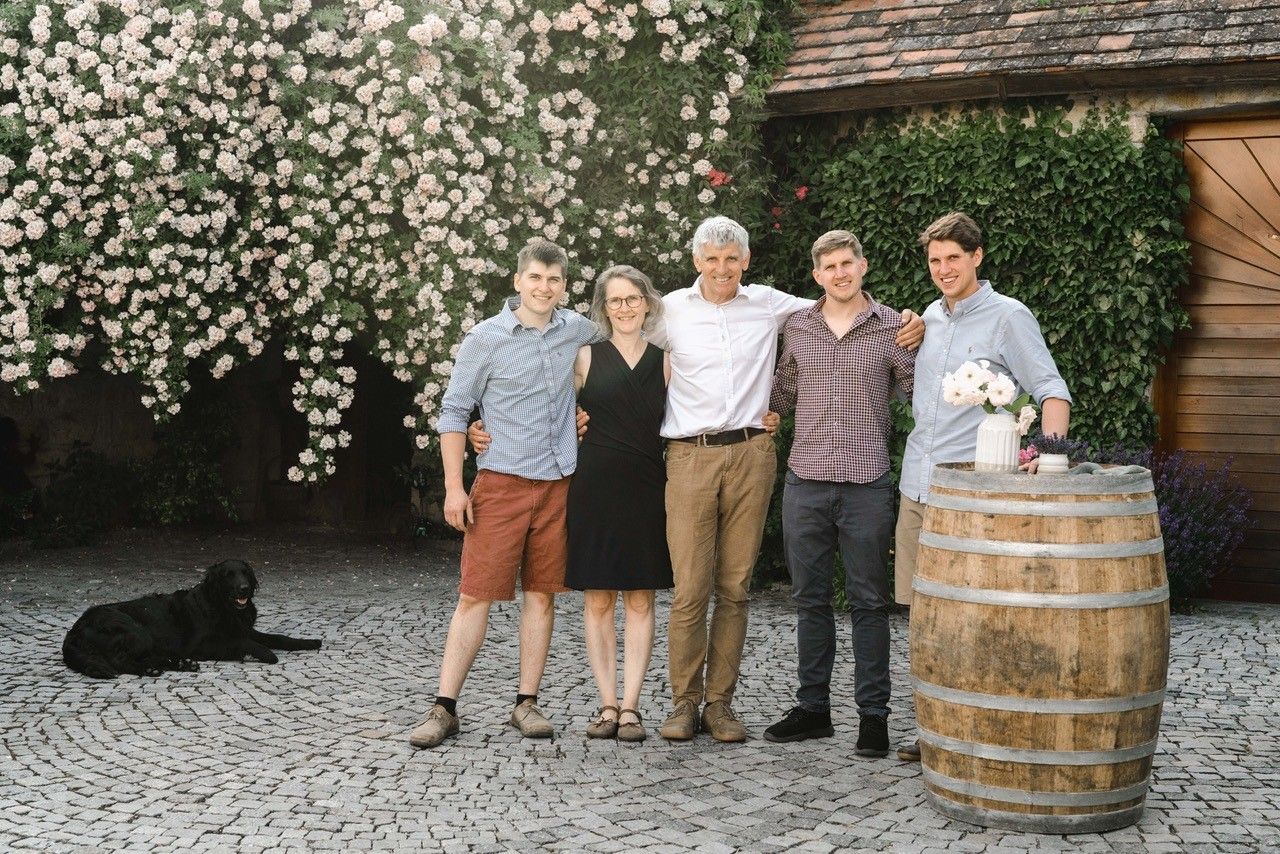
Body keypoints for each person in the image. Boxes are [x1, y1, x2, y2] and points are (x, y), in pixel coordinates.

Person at [648, 216, 926, 743]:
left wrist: (920, 320)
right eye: (712, 258)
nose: (722, 268)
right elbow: (622, 342)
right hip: (725, 463)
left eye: (732, 258)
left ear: (746, 261)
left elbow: (916, 389)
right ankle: (699, 705)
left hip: (816, 467)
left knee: (773, 592)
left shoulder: (811, 315)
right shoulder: (680, 310)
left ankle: (857, 716)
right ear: (697, 261)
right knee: (706, 592)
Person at [894, 212, 1071, 761]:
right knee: (923, 615)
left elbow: (1051, 389)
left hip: (975, 496)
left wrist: (1051, 457)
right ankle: (934, 726)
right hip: (917, 487)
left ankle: (982, 728)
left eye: (953, 257)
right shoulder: (930, 316)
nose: (944, 268)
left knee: (977, 616)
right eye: (935, 260)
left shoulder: (1008, 317)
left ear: (977, 256)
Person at [408, 238, 598, 749]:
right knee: (475, 595)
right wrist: (454, 488)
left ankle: (525, 704)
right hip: (500, 484)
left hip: (557, 484)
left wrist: (584, 416)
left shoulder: (577, 330)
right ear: (517, 281)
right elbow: (454, 412)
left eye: (553, 279)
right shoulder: (485, 338)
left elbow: (629, 344)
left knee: (542, 595)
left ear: (564, 285)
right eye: (535, 277)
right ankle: (444, 707)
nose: (544, 287)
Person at [762, 230, 915, 758]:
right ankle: (813, 710)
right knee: (810, 601)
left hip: (866, 484)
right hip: (805, 482)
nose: (840, 273)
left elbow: (921, 392)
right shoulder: (799, 327)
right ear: (817, 275)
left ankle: (874, 717)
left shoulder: (893, 326)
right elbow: (780, 391)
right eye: (829, 266)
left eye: (847, 263)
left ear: (863, 266)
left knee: (870, 603)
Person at [567, 266, 673, 743]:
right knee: (597, 598)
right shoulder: (585, 357)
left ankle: (631, 706)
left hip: (647, 486)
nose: (625, 307)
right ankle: (607, 703)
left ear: (646, 303)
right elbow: (551, 412)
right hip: (595, 486)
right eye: (615, 300)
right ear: (604, 308)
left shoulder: (666, 362)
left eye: (633, 298)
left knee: (641, 598)